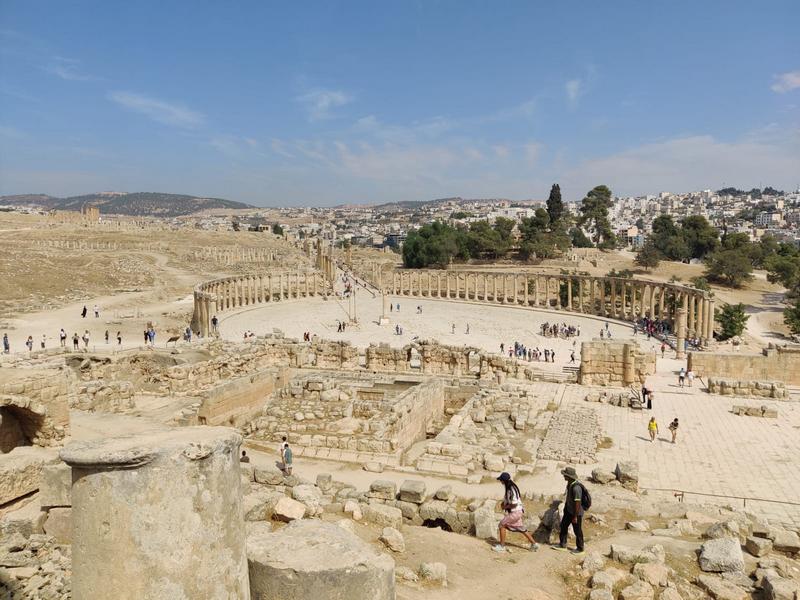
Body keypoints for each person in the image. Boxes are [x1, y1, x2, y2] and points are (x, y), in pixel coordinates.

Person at [493, 472, 538, 553]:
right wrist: (504, 503)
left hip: (515, 512)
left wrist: (505, 507)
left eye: (501, 480)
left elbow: (514, 504)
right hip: (519, 511)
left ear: (504, 481)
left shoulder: (510, 489)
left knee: (501, 525)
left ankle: (502, 546)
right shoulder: (512, 487)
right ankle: (534, 544)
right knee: (521, 528)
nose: (501, 482)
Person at [553, 466, 585, 555]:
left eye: (565, 475)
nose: (564, 476)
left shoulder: (576, 488)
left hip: (576, 513)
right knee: (563, 525)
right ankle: (562, 544)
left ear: (569, 477)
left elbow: (578, 503)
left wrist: (575, 516)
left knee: (577, 530)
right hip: (569, 510)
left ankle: (580, 548)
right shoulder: (569, 484)